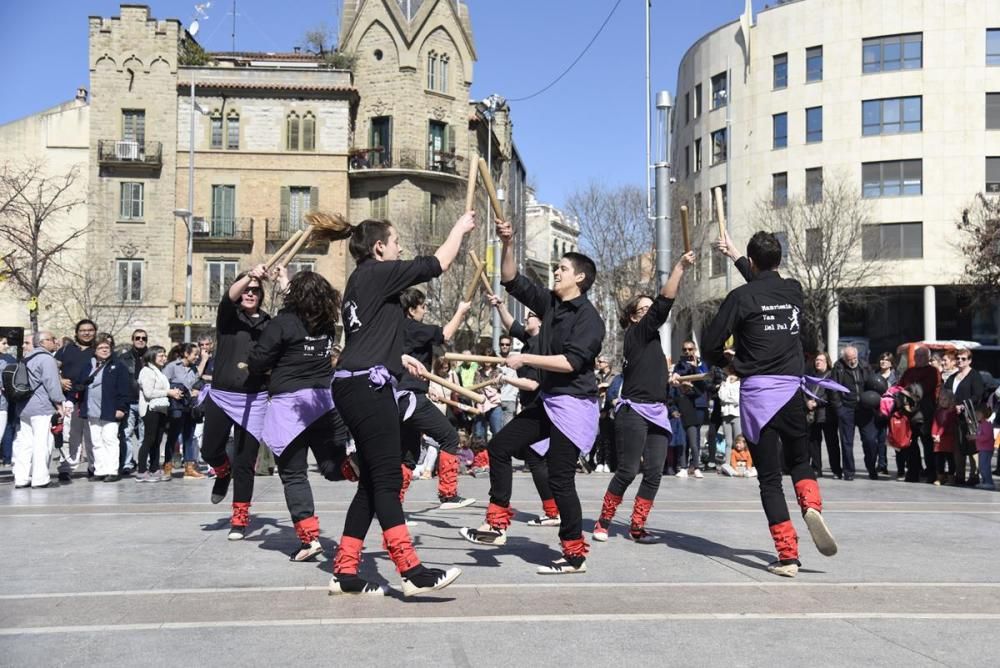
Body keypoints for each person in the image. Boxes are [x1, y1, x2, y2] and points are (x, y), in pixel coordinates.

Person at [328, 210, 474, 597]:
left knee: (373, 484)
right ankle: (412, 571)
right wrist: (458, 228)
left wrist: (398, 359)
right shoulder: (377, 273)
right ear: (379, 248)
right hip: (366, 388)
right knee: (390, 479)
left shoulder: (363, 281)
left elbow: (369, 339)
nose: (401, 248)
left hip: (355, 383)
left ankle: (345, 571)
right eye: (396, 242)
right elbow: (437, 264)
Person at [461, 217, 605, 576]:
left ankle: (574, 554)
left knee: (560, 478)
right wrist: (506, 243)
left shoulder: (589, 319)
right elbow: (511, 280)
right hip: (550, 403)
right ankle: (496, 524)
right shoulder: (551, 304)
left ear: (580, 278)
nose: (556, 273)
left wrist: (524, 357)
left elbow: (570, 363)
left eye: (562, 268)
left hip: (574, 406)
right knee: (499, 447)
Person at [706, 230, 841, 578]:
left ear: (751, 262)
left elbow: (710, 344)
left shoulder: (740, 298)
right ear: (779, 261)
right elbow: (764, 284)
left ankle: (788, 556)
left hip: (758, 397)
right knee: (800, 461)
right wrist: (737, 254)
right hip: (792, 392)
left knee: (768, 478)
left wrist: (730, 364)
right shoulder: (793, 291)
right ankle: (811, 505)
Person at [248, 270, 356, 563]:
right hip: (324, 401)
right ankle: (352, 466)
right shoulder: (327, 326)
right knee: (331, 465)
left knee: (294, 474)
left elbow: (259, 361)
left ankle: (309, 539)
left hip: (289, 405)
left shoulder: (282, 324)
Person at [592, 252, 694, 544]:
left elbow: (652, 377)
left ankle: (637, 526)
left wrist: (671, 381)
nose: (651, 313)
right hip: (633, 412)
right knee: (627, 470)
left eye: (650, 309)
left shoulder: (654, 346)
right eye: (645, 309)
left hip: (657, 411)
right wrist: (679, 267)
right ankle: (603, 521)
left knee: (653, 473)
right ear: (635, 316)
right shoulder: (636, 334)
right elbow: (664, 304)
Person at [199, 266, 271, 539]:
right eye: (247, 290)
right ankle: (221, 471)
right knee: (209, 450)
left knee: (245, 461)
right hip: (221, 395)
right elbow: (228, 298)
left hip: (254, 397)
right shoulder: (229, 318)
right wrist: (249, 276)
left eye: (255, 290)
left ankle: (240, 517)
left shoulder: (268, 324)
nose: (250, 294)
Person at [397, 287, 475, 509]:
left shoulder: (395, 329)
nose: (425, 310)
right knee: (449, 437)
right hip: (411, 398)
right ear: (411, 310)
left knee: (408, 455)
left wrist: (426, 387)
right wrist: (460, 311)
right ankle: (448, 495)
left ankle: (393, 507)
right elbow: (445, 334)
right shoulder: (413, 328)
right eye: (422, 307)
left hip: (401, 398)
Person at [490, 296, 560, 527]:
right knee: (534, 458)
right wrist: (500, 306)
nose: (525, 318)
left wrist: (506, 378)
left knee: (518, 453)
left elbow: (533, 384)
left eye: (530, 315)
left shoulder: (542, 345)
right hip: (531, 408)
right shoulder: (530, 341)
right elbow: (512, 325)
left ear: (540, 322)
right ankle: (553, 511)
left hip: (540, 409)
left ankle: (500, 514)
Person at [11, 332, 65, 488]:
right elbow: (52, 384)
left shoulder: (26, 358)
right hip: (42, 408)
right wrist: (59, 404)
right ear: (43, 342)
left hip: (23, 407)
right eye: (53, 339)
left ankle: (21, 478)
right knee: (42, 443)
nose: (55, 342)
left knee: (25, 444)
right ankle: (40, 479)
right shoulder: (47, 359)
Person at [74, 336, 130, 483]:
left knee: (110, 439)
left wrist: (121, 408)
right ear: (95, 350)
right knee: (96, 441)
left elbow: (124, 389)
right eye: (101, 348)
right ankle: (100, 470)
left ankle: (112, 470)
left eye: (107, 347)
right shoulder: (88, 365)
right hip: (92, 410)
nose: (104, 350)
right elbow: (80, 383)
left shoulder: (118, 366)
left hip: (110, 409)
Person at [830, 346, 882, 480]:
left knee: (870, 440)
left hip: (865, 409)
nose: (852, 361)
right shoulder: (838, 367)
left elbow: (873, 384)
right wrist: (839, 408)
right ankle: (848, 472)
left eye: (854, 358)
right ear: (844, 358)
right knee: (847, 442)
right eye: (849, 359)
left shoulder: (865, 366)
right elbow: (833, 388)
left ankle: (871, 468)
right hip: (847, 408)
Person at [56, 319, 97, 481]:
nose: (86, 333)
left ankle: (94, 467)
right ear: (77, 332)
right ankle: (66, 468)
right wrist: (59, 380)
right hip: (70, 399)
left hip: (92, 399)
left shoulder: (99, 349)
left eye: (90, 330)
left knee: (92, 436)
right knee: (69, 435)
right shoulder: (66, 350)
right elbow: (52, 367)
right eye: (83, 330)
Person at [136, 346, 182, 482]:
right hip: (150, 409)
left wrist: (173, 392)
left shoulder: (159, 371)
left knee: (157, 440)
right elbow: (148, 393)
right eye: (160, 355)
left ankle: (154, 468)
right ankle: (142, 471)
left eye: (164, 355)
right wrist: (168, 392)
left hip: (161, 409)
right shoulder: (147, 371)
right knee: (149, 440)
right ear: (152, 356)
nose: (164, 358)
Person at [163, 343, 207, 481]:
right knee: (173, 436)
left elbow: (197, 380)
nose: (197, 357)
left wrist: (197, 390)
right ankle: (167, 466)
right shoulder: (172, 367)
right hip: (176, 405)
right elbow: (162, 383)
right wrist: (171, 391)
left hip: (190, 406)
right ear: (186, 354)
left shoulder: (194, 368)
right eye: (195, 354)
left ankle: (189, 467)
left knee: (189, 436)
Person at [898, 347, 940, 483]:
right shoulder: (909, 371)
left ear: (928, 357)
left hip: (925, 414)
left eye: (922, 356)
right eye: (917, 355)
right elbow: (900, 386)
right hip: (908, 414)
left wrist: (907, 391)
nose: (918, 358)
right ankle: (913, 472)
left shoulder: (932, 371)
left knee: (928, 445)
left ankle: (931, 473)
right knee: (910, 444)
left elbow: (922, 390)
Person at [945, 348, 984, 486]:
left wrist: (963, 405)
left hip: (970, 416)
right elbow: (946, 394)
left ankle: (974, 475)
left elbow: (978, 395)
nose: (960, 361)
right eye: (958, 358)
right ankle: (959, 475)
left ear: (969, 360)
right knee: (957, 446)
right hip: (954, 416)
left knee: (972, 445)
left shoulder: (975, 376)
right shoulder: (952, 377)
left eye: (963, 359)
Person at [672, 341, 709, 478]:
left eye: (690, 349)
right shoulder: (680, 365)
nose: (687, 352)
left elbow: (707, 382)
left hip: (698, 404)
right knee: (683, 437)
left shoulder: (701, 364)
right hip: (684, 403)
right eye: (684, 349)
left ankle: (695, 465)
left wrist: (696, 368)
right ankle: (683, 466)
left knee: (695, 436)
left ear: (695, 349)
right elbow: (675, 380)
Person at [804, 353, 840, 478]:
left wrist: (817, 402)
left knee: (832, 443)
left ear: (827, 362)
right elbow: (804, 391)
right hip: (813, 415)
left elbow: (832, 395)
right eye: (816, 360)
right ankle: (816, 468)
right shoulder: (811, 377)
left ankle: (836, 469)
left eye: (820, 360)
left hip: (827, 414)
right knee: (813, 442)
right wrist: (807, 402)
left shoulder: (832, 376)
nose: (817, 362)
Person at [117, 329, 148, 476]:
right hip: (130, 400)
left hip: (146, 401)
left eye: (143, 338)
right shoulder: (123, 358)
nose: (140, 340)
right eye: (137, 338)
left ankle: (143, 462)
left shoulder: (151, 357)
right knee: (126, 433)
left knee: (145, 434)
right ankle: (127, 463)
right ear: (133, 339)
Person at [873, 352, 898, 475]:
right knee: (881, 438)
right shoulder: (875, 375)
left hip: (893, 409)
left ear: (891, 363)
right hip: (880, 410)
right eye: (882, 359)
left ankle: (901, 466)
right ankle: (882, 464)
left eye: (886, 360)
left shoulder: (896, 377)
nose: (883, 362)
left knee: (897, 437)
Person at [716, 358, 742, 466]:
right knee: (728, 442)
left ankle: (739, 462)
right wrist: (728, 397)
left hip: (736, 414)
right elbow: (721, 397)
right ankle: (727, 463)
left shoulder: (740, 382)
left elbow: (737, 399)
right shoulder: (724, 382)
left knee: (739, 441)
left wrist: (728, 398)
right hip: (726, 414)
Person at [931, 389, 958, 485]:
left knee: (950, 459)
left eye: (945, 399)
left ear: (951, 401)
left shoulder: (952, 412)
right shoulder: (938, 411)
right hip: (939, 440)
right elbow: (935, 423)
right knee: (939, 459)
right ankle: (940, 477)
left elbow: (945, 425)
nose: (942, 401)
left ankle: (951, 477)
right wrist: (933, 434)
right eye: (941, 399)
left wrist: (938, 434)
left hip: (948, 438)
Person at [496, 335, 519, 427]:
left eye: (507, 344)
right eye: (502, 344)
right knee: (496, 431)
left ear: (511, 346)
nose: (504, 346)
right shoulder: (493, 359)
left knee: (507, 429)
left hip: (511, 399)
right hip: (496, 401)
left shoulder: (517, 359)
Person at [973, 405, 995, 490]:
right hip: (982, 449)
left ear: (984, 414)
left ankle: (989, 482)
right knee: (982, 466)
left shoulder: (986, 424)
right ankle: (985, 481)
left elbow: (987, 437)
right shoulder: (981, 424)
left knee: (985, 466)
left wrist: (975, 437)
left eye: (978, 413)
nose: (976, 415)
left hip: (986, 449)